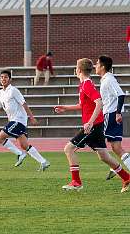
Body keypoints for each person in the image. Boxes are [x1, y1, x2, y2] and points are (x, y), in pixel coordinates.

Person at [54, 58, 130, 193]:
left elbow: (99, 103)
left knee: (69, 149)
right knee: (104, 156)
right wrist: (65, 108)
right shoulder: (83, 84)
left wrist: (90, 122)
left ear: (79, 70)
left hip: (93, 126)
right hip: (96, 125)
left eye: (76, 67)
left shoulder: (87, 85)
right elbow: (82, 105)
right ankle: (126, 177)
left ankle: (76, 182)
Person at [0, 70, 50, 171]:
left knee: (0, 138)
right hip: (13, 121)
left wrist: (32, 118)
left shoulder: (13, 90)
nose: (3, 79)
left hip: (19, 120)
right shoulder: (0, 93)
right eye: (1, 77)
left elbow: (24, 104)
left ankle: (20, 154)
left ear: (10, 79)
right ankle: (43, 162)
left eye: (5, 77)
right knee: (24, 145)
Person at [94, 55, 130, 180]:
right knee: (116, 147)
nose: (95, 66)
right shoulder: (105, 79)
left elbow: (120, 95)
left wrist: (118, 113)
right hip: (112, 114)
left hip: (111, 115)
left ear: (103, 66)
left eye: (97, 63)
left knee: (97, 141)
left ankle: (115, 167)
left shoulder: (109, 79)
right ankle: (114, 167)